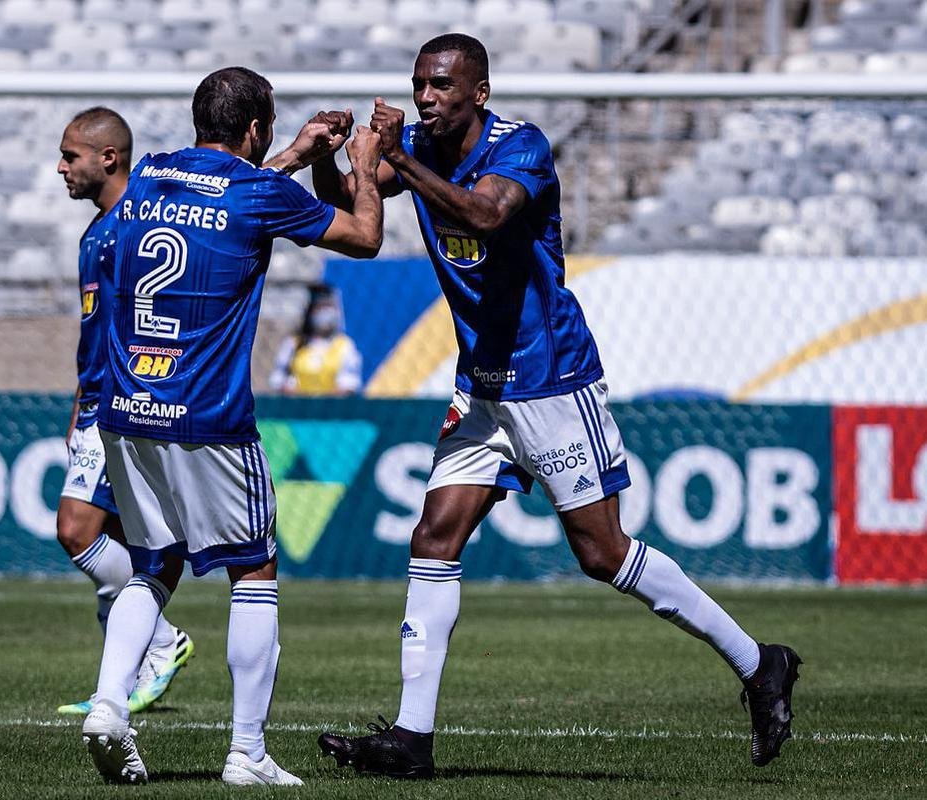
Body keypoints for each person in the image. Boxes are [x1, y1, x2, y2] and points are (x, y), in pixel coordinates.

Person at [312, 34, 801, 778]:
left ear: (479, 92)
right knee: (434, 537)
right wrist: (332, 157)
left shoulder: (522, 146)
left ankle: (760, 663)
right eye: (418, 84)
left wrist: (397, 158)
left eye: (441, 85)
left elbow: (485, 215)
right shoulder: (421, 145)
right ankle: (412, 739)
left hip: (551, 381)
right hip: (482, 388)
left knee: (602, 553)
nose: (425, 97)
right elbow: (353, 204)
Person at [80, 67, 384, 786]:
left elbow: (226, 194)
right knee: (254, 569)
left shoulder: (150, 176)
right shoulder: (256, 191)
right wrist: (361, 165)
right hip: (208, 414)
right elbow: (365, 237)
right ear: (254, 128)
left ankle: (108, 705)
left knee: (154, 563)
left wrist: (295, 156)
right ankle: (246, 753)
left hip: (128, 406)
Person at [53, 107, 193, 717]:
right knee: (114, 541)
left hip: (130, 402)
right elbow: (97, 331)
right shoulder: (94, 234)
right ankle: (120, 679)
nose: (61, 168)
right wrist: (79, 404)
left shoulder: (140, 222)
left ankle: (163, 643)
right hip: (97, 401)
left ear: (108, 157)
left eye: (70, 156)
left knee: (76, 530)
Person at [267, 283, 362, 395]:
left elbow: (348, 385)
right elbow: (278, 379)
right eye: (320, 307)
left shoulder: (344, 346)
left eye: (329, 307)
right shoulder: (294, 345)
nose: (326, 313)